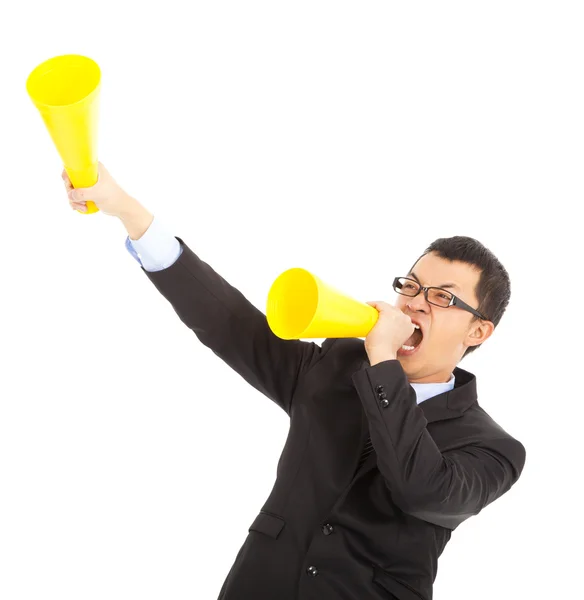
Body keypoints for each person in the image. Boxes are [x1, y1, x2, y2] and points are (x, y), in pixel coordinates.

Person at [64, 163, 526, 600]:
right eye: (410, 286)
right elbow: (228, 323)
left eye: (443, 297)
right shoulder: (337, 366)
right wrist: (128, 210)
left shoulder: (493, 449)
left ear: (478, 330)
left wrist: (383, 357)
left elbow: (422, 489)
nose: (414, 304)